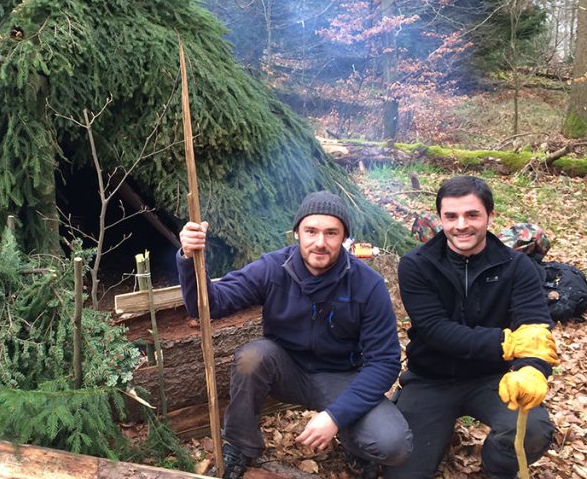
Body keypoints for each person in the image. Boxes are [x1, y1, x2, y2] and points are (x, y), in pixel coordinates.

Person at [177, 191, 412, 479]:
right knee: (252, 358)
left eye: (331, 233)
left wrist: (336, 417)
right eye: (310, 231)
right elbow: (210, 304)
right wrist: (189, 259)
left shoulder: (368, 285)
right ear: (297, 233)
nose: (320, 243)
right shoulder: (274, 268)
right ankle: (241, 445)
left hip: (342, 377)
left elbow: (385, 362)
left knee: (394, 445)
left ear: (345, 238)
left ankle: (356, 445)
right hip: (285, 370)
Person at [385, 176, 559, 479]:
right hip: (430, 379)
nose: (461, 225)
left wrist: (532, 368)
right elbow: (435, 329)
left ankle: (496, 468)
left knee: (533, 430)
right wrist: (505, 342)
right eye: (451, 216)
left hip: (492, 377)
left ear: (490, 216)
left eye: (472, 215)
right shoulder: (416, 264)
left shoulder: (517, 266)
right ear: (440, 218)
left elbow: (533, 325)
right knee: (402, 470)